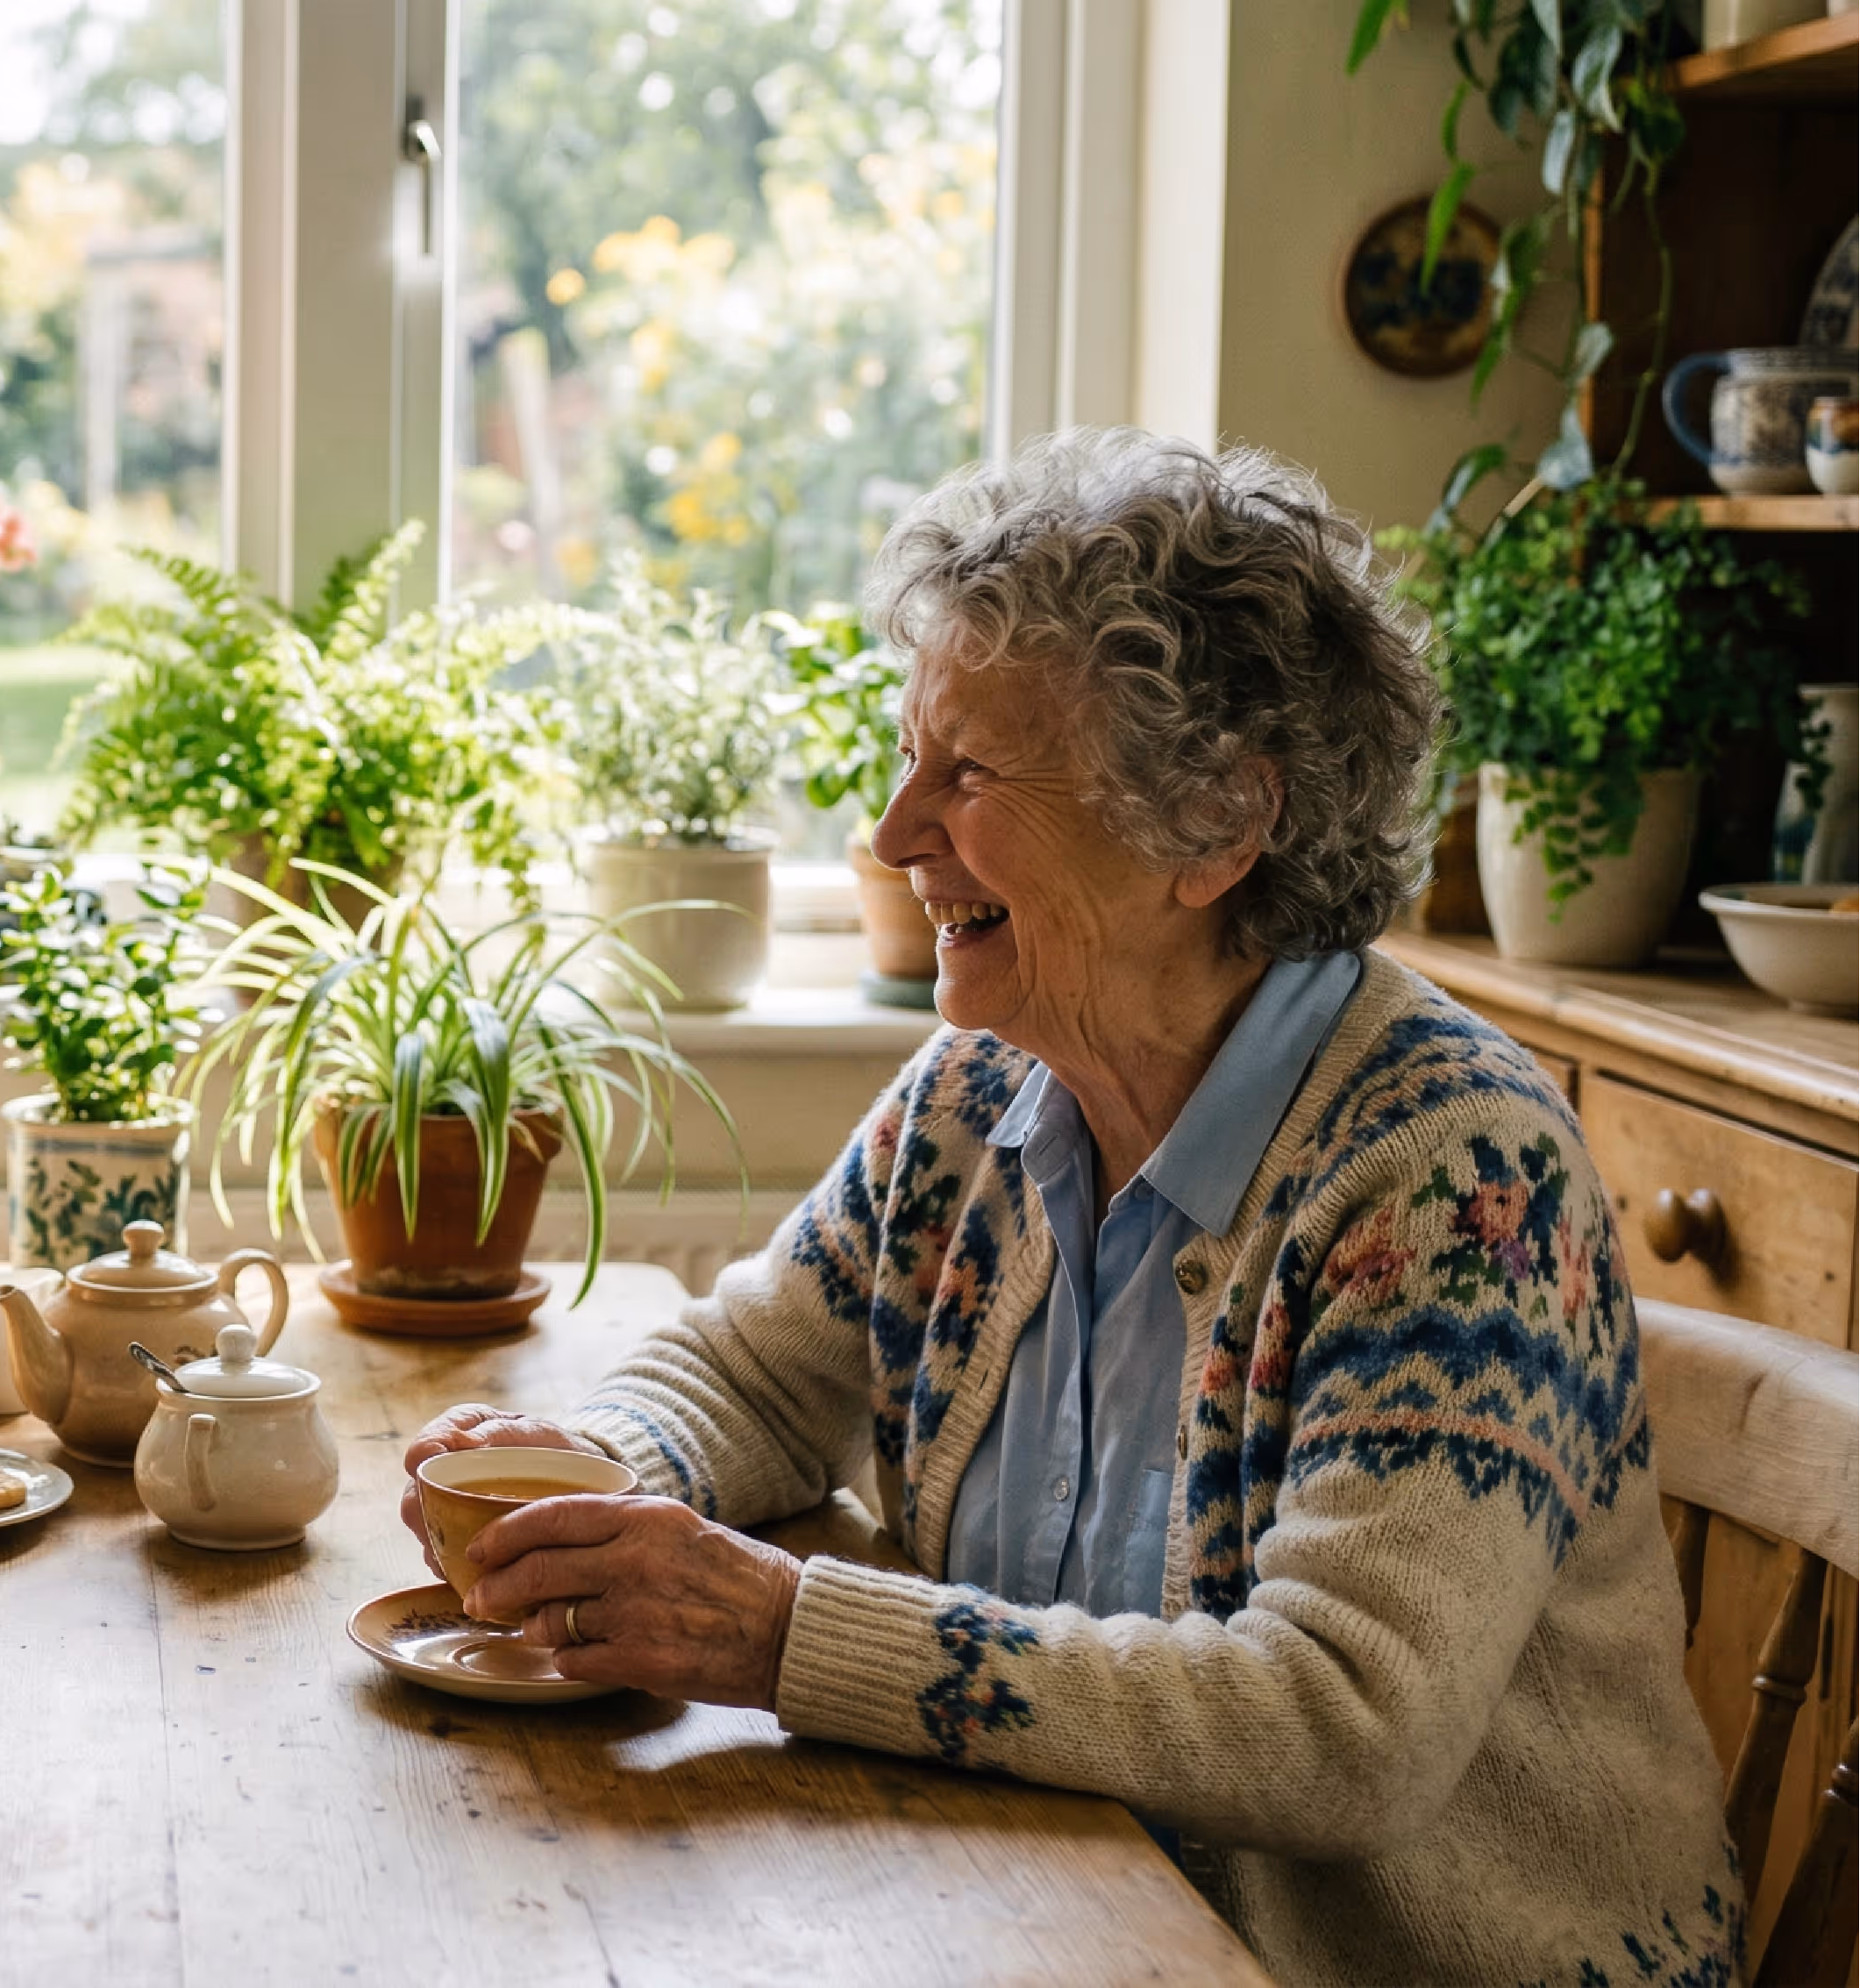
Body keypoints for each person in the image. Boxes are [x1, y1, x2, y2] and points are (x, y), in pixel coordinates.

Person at [408, 429, 1738, 1984]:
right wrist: (591, 1481)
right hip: (1045, 1914)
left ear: (1218, 825)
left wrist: (782, 1633)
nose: (899, 834)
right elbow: (752, 1373)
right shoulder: (974, 1095)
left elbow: (1341, 1723)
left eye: (966, 773)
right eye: (912, 759)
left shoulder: (1450, 1177)